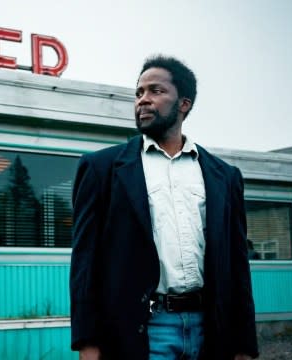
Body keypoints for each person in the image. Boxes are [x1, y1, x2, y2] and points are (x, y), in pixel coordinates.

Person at [70, 54, 259, 359]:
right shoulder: (102, 168)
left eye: (155, 91)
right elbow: (85, 264)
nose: (143, 100)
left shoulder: (224, 176)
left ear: (184, 104)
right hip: (142, 331)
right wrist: (87, 344)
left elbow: (237, 267)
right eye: (139, 93)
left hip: (212, 330)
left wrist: (244, 345)